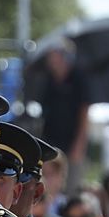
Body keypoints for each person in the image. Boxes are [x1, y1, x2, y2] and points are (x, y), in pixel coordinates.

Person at [38, 42, 92, 191]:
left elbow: (84, 112)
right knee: (48, 185)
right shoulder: (48, 80)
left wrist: (79, 144)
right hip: (52, 141)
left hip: (73, 142)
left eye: (54, 57)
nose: (51, 62)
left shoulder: (79, 78)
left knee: (71, 187)